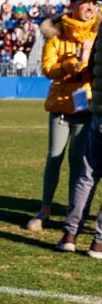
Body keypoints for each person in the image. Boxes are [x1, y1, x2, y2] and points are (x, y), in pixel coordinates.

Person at [26, 0, 101, 232]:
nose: (90, 7)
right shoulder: (56, 33)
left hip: (86, 106)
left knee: (79, 163)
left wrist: (88, 63)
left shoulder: (98, 32)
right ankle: (44, 210)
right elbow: (48, 68)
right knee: (54, 158)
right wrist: (73, 63)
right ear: (73, 5)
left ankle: (73, 213)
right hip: (60, 105)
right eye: (85, 3)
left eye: (94, 3)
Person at [55, 22, 102, 258]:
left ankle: (70, 235)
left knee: (87, 175)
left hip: (99, 112)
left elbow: (92, 67)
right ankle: (99, 243)